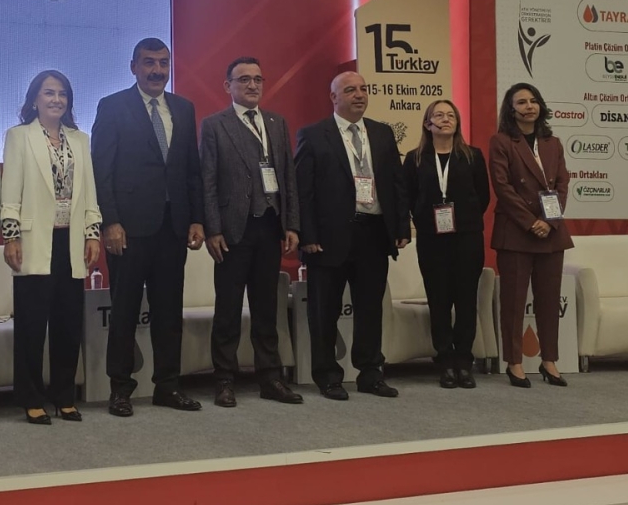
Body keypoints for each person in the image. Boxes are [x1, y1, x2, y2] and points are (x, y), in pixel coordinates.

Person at [91, 38, 205, 418]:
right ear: (134, 67)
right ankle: (120, 389)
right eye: (149, 62)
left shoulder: (183, 108)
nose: (157, 70)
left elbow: (191, 170)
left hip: (173, 227)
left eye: (163, 63)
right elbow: (101, 170)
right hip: (128, 228)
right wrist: (110, 221)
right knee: (124, 312)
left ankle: (168, 387)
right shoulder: (112, 106)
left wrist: (196, 218)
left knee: (169, 313)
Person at [295, 71, 409, 400]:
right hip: (327, 238)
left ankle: (370, 373)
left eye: (363, 89)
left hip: (374, 232)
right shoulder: (313, 135)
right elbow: (303, 191)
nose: (359, 95)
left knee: (370, 308)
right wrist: (307, 235)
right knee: (324, 311)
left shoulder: (382, 133)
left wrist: (401, 227)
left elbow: (397, 183)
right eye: (350, 90)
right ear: (333, 98)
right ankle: (328, 375)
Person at [0, 71, 102, 423]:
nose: (56, 99)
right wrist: (11, 235)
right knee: (31, 324)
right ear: (35, 99)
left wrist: (92, 233)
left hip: (71, 241)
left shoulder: (80, 140)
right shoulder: (19, 136)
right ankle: (30, 397)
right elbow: (10, 191)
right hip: (33, 241)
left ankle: (64, 396)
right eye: (48, 93)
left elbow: (90, 191)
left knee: (68, 323)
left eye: (62, 94)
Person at [199, 57, 301, 407]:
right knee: (228, 309)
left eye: (258, 79)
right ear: (228, 86)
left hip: (270, 227)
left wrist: (291, 224)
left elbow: (287, 177)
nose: (253, 85)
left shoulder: (276, 122)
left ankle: (270, 378)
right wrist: (212, 229)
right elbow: (208, 181)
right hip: (232, 231)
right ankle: (224, 380)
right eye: (244, 79)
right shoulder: (214, 125)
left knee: (266, 308)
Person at [489, 82, 572, 388]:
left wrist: (548, 221)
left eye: (533, 101)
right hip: (516, 231)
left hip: (551, 231)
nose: (529, 106)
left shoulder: (553, 143)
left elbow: (562, 184)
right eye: (521, 102)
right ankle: (514, 362)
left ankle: (549, 360)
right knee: (513, 302)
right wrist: (530, 222)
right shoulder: (501, 142)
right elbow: (503, 187)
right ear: (511, 110)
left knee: (549, 301)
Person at [401, 99, 490, 389]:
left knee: (466, 300)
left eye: (451, 115)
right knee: (438, 300)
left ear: (457, 122)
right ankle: (445, 361)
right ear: (428, 124)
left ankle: (464, 361)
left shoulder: (472, 156)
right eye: (438, 115)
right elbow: (408, 196)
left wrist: (464, 218)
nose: (445, 119)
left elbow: (483, 197)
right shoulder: (415, 158)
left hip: (467, 237)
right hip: (431, 238)